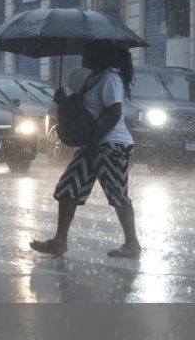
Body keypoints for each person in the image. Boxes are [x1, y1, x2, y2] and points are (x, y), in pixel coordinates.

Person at [30, 43, 141, 258]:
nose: (83, 53)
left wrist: (94, 140)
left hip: (111, 145)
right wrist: (64, 102)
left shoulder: (110, 78)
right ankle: (59, 242)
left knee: (117, 193)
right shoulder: (94, 78)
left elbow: (113, 112)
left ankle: (132, 244)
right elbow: (84, 110)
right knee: (68, 188)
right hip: (93, 144)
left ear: (100, 55)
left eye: (88, 51)